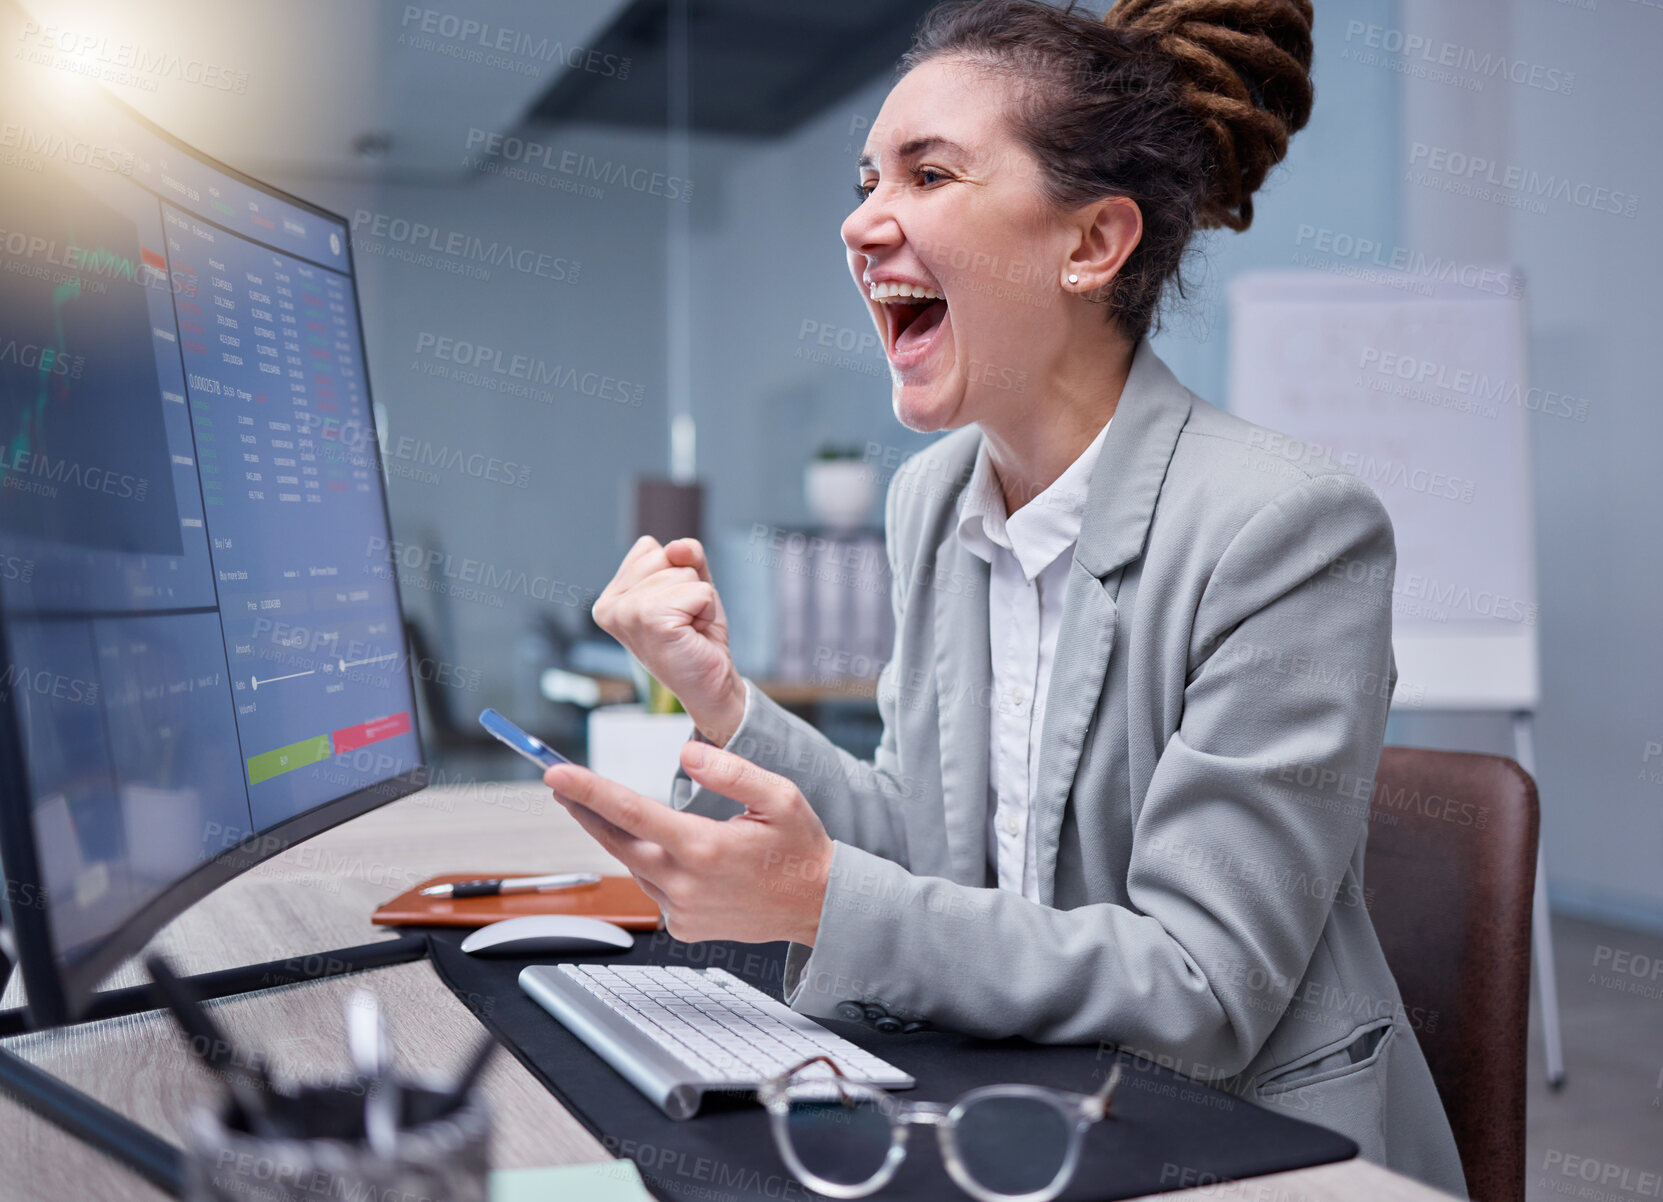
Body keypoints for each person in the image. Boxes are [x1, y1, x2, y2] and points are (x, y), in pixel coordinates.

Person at [541, 0, 1468, 1193]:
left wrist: (821, 897)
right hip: (1022, 1101)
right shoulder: (933, 500)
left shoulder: (1286, 529)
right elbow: (927, 847)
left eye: (927, 174)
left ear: (1090, 244)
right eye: (866, 177)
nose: (860, 221)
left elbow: (1199, 985)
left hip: (1238, 1142)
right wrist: (720, 700)